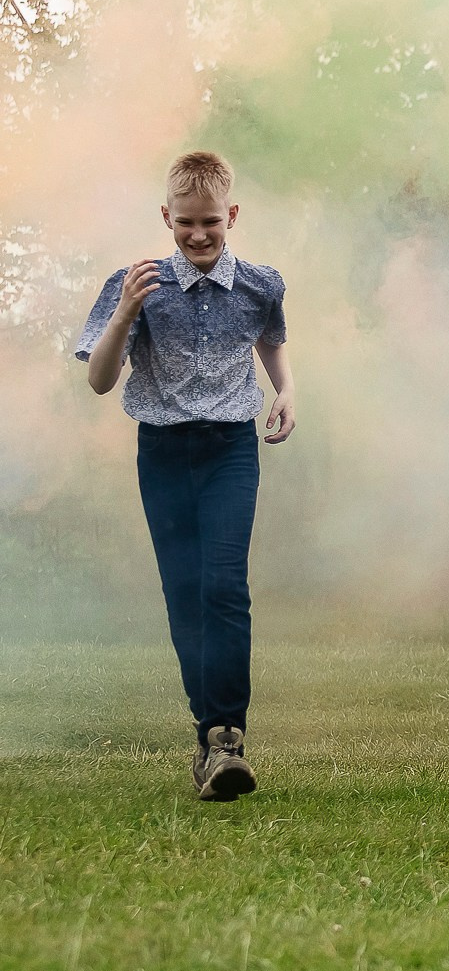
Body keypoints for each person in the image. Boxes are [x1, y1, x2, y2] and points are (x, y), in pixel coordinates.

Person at [75, 150, 296, 802]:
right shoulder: (135, 283)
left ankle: (228, 737)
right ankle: (207, 737)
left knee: (224, 585)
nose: (198, 236)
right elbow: (99, 380)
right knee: (184, 595)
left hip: (231, 448)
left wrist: (287, 391)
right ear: (166, 217)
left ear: (230, 215)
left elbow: (271, 339)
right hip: (164, 453)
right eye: (185, 224)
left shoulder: (261, 284)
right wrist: (123, 315)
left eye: (210, 224)